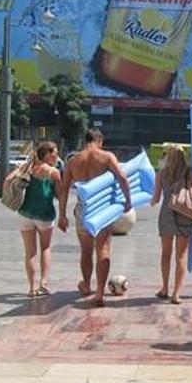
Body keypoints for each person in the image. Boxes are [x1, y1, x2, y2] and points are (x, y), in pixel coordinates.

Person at [58, 129, 132, 307]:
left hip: (83, 209)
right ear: (99, 140)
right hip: (102, 210)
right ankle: (99, 293)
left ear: (85, 141)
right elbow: (122, 178)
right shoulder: (106, 157)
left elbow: (64, 189)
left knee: (86, 251)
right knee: (103, 250)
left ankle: (87, 285)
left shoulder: (73, 161)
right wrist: (128, 201)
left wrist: (62, 215)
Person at [151, 144, 192, 304]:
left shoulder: (161, 174)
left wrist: (150, 201)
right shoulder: (188, 172)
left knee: (165, 254)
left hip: (166, 215)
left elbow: (155, 198)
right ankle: (176, 294)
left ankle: (164, 288)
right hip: (184, 214)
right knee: (181, 256)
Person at [6, 142, 62, 297]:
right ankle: (43, 284)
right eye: (55, 153)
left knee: (30, 252)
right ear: (47, 155)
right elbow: (60, 195)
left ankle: (31, 288)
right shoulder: (54, 172)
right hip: (44, 214)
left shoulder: (28, 167)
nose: (57, 156)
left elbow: (8, 180)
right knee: (45, 248)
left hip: (25, 212)